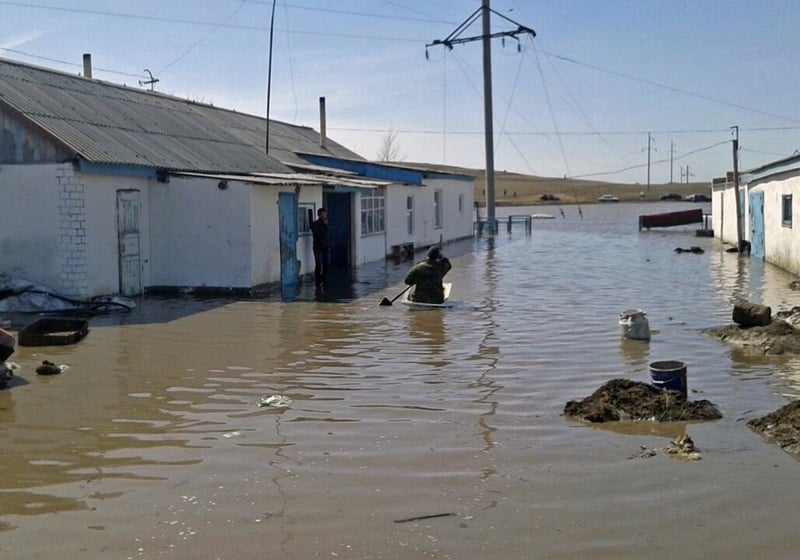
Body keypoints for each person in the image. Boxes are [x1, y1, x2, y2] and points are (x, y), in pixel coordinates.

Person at [310, 207, 331, 286]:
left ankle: (324, 279)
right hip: (318, 247)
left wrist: (326, 225)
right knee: (318, 263)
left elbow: (329, 233)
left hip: (326, 246)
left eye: (325, 214)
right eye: (322, 215)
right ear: (319, 215)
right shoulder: (315, 224)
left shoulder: (327, 224)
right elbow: (317, 234)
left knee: (326, 263)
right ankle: (318, 280)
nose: (324, 216)